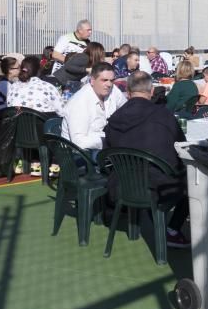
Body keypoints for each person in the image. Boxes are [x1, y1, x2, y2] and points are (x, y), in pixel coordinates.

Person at [103, 71, 190, 248]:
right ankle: (173, 230)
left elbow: (108, 156)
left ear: (128, 91)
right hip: (160, 187)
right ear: (151, 92)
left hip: (122, 186)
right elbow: (182, 146)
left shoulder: (113, 120)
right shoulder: (164, 115)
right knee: (193, 179)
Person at [61, 62, 126, 156]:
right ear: (92, 81)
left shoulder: (113, 90)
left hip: (104, 150)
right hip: (79, 156)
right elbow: (79, 142)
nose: (109, 84)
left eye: (112, 80)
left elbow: (127, 109)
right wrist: (109, 139)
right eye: (104, 80)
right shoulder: (80, 102)